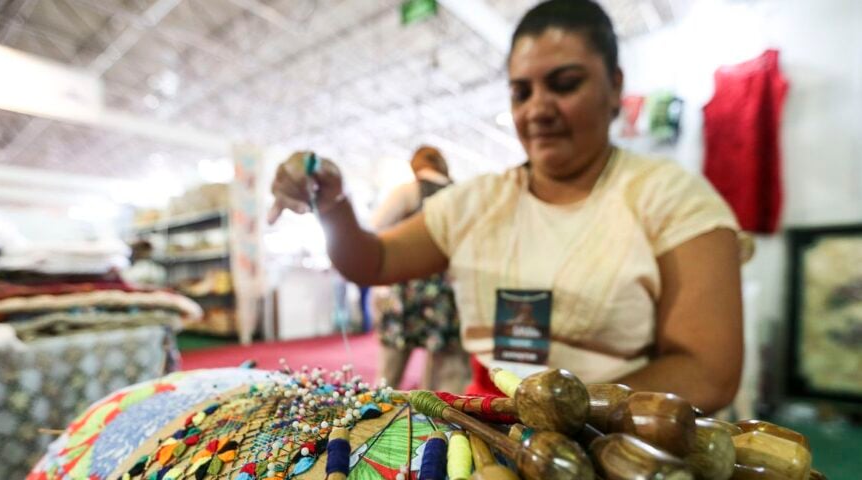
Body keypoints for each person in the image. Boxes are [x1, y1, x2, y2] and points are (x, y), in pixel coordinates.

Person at [268, 0, 744, 413]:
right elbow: (373, 259)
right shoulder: (477, 202)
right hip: (489, 431)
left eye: (564, 83)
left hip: (620, 440)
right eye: (522, 92)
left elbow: (707, 371)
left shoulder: (675, 200)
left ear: (615, 86)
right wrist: (332, 205)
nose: (538, 108)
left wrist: (561, 414)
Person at [368, 146, 470, 393]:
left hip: (406, 290)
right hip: (448, 294)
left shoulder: (408, 190)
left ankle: (375, 417)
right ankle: (440, 427)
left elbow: (375, 229)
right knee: (447, 376)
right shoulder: (461, 195)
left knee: (389, 372)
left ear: (415, 166)